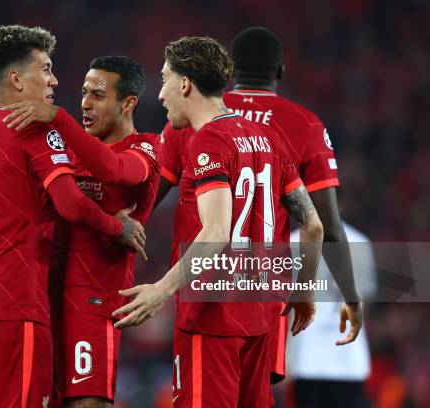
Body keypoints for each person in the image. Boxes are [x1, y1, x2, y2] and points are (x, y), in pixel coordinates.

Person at [112, 36, 324, 407]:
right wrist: (304, 289)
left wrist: (160, 290)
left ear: (184, 84)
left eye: (164, 80)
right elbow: (314, 225)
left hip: (210, 318)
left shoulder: (207, 141)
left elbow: (216, 232)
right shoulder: (268, 137)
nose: (160, 95)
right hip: (259, 316)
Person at [0, 26, 144, 408]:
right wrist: (117, 227)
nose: (54, 80)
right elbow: (70, 203)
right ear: (17, 79)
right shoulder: (32, 128)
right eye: (46, 69)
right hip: (14, 305)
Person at [155, 26, 363, 386]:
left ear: (229, 70)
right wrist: (348, 298)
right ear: (281, 71)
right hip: (265, 296)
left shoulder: (190, 117)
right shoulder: (303, 125)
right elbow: (324, 226)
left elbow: (147, 199)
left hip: (206, 295)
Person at [287, 222, 376, 408]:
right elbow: (363, 306)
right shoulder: (359, 241)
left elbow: (286, 310)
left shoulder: (294, 242)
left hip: (307, 357)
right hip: (348, 358)